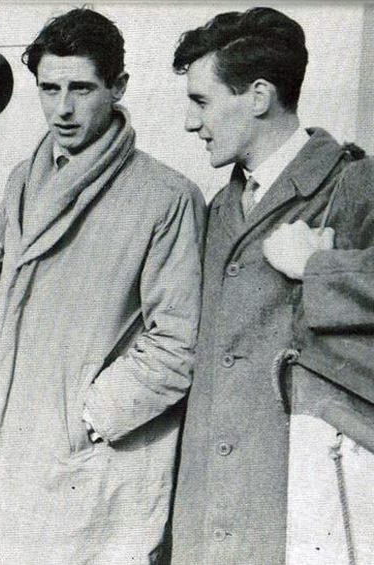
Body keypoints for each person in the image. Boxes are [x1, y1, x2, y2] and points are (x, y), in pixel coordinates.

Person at [0, 8, 205, 564]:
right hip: (4, 457)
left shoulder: (167, 198)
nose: (62, 109)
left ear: (118, 87)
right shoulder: (25, 177)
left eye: (81, 88)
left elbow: (176, 344)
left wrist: (85, 418)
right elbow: (4, 265)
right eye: (49, 89)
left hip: (87, 469)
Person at [171, 7, 374, 564]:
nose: (190, 122)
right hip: (209, 514)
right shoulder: (219, 208)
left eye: (201, 101)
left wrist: (317, 269)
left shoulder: (357, 183)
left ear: (259, 96)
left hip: (309, 506)